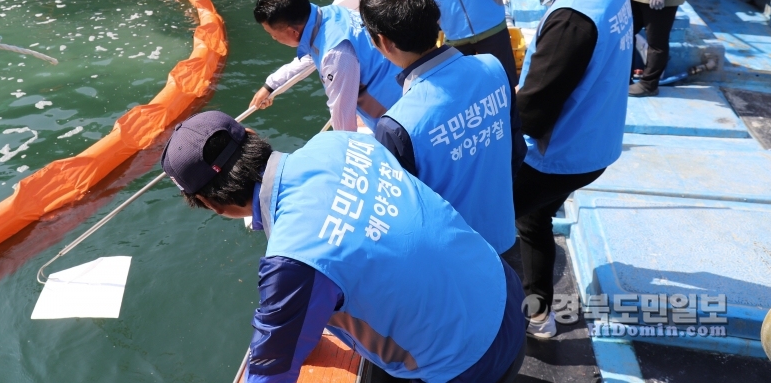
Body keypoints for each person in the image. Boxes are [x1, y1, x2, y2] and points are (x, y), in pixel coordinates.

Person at [160, 111, 527, 383]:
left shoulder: (293, 261)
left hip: (470, 362)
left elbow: (271, 369)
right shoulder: (340, 141)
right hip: (505, 290)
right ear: (253, 136)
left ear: (211, 204)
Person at [511, 0, 632, 338]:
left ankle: (484, 314)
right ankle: (538, 312)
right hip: (596, 143)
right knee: (532, 219)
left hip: (562, 154)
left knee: (481, 220)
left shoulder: (571, 18)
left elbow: (536, 108)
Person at [361, 0, 522, 254]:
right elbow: (516, 152)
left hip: (453, 262)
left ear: (383, 42)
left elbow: (402, 221)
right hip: (503, 235)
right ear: (437, 22)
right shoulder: (493, 68)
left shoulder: (396, 126)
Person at [250, 0, 401, 132]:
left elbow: (342, 116)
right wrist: (270, 85)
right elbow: (311, 57)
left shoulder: (335, 54)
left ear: (293, 32)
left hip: (396, 117)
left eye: (273, 35)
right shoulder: (331, 14)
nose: (273, 38)